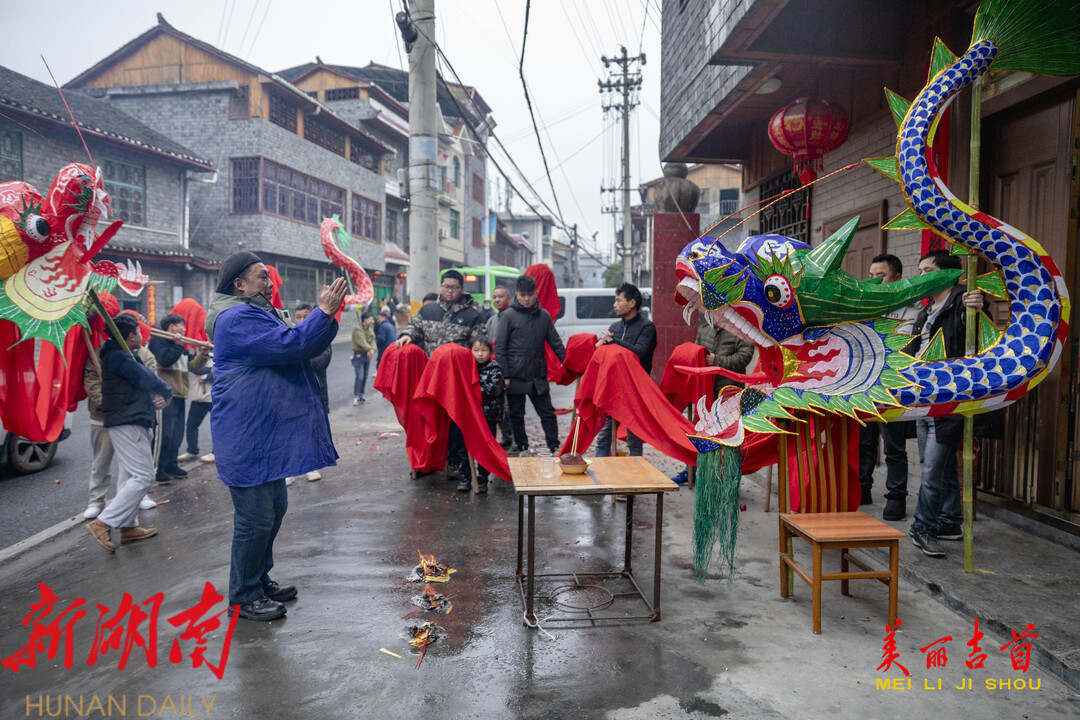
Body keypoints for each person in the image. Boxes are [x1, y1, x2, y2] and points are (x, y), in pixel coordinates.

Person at [206, 250, 346, 621]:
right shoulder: (236, 317)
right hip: (244, 435)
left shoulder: (254, 312)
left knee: (273, 510)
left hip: (262, 434)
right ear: (239, 284)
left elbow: (303, 343)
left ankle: (258, 578)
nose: (270, 283)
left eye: (269, 276)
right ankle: (243, 595)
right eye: (262, 276)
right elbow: (292, 344)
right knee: (254, 519)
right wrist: (323, 312)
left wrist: (326, 316)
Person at [905, 250, 985, 558]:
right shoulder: (926, 310)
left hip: (950, 398)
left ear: (948, 273)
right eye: (920, 270)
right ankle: (950, 521)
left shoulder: (964, 301)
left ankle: (922, 526)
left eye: (928, 270)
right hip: (923, 398)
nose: (922, 276)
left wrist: (979, 306)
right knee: (941, 464)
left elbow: (981, 333)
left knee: (932, 469)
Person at [85, 313, 172, 552]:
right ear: (131, 336)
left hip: (131, 417)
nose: (142, 335)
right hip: (128, 420)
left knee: (129, 475)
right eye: (139, 331)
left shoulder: (123, 354)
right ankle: (103, 522)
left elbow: (139, 381)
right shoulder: (118, 356)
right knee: (143, 476)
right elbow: (144, 377)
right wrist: (165, 390)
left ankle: (128, 526)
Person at [396, 270, 486, 484]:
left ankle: (454, 462)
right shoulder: (428, 310)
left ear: (461, 289)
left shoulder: (473, 315)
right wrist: (407, 336)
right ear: (441, 287)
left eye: (454, 287)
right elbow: (414, 328)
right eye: (446, 287)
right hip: (430, 377)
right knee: (429, 419)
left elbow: (478, 344)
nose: (450, 291)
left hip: (456, 379)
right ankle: (428, 461)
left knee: (455, 422)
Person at [860, 253, 920, 517]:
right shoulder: (865, 307)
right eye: (871, 276)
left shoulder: (912, 310)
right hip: (864, 384)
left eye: (880, 276)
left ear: (897, 278)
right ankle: (862, 489)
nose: (874, 281)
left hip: (892, 386)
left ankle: (896, 498)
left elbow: (902, 347)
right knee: (864, 442)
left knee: (894, 447)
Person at [496, 274, 566, 456]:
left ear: (536, 294)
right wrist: (505, 375)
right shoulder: (508, 316)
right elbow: (500, 349)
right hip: (515, 375)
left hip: (537, 375)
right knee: (516, 415)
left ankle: (554, 446)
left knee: (547, 413)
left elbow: (556, 343)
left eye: (530, 294)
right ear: (516, 294)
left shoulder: (543, 316)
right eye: (523, 295)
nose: (526, 299)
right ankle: (522, 447)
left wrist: (569, 363)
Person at [594, 283, 657, 457]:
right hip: (613, 389)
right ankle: (601, 469)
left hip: (635, 390)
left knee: (634, 439)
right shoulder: (614, 327)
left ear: (632, 303)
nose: (614, 305)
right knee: (604, 436)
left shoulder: (646, 327)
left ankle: (635, 470)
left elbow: (640, 352)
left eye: (618, 300)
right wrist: (599, 345)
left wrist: (613, 342)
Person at [149, 313, 210, 482]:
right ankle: (157, 469)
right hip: (165, 395)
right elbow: (165, 360)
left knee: (176, 434)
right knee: (164, 434)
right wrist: (178, 345)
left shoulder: (180, 345)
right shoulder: (158, 342)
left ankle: (171, 464)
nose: (184, 329)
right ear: (172, 327)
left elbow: (192, 366)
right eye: (182, 325)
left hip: (180, 394)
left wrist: (203, 354)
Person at [285, 303, 332, 486]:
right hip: (291, 396)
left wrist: (295, 356)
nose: (302, 320)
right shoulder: (288, 336)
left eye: (306, 317)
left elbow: (320, 361)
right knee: (290, 433)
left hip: (313, 395)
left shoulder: (320, 336)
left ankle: (311, 467)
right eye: (298, 317)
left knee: (311, 432)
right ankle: (289, 470)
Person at [470, 335, 504, 493]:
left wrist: (471, 391)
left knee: (486, 447)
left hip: (489, 415)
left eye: (484, 350)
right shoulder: (468, 367)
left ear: (490, 352)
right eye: (476, 350)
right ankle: (467, 476)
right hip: (472, 415)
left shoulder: (495, 368)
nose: (480, 354)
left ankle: (483, 477)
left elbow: (491, 390)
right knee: (470, 445)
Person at [485, 286, 513, 447]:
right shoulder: (491, 321)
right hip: (495, 369)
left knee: (511, 407)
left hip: (512, 368)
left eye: (500, 297)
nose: (497, 300)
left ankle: (515, 438)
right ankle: (506, 437)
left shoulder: (515, 317)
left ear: (509, 298)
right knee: (500, 405)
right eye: (494, 297)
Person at [184, 356, 214, 464]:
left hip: (213, 397)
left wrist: (206, 376)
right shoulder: (201, 355)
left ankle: (216, 452)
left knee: (217, 427)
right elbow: (193, 367)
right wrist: (208, 370)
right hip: (198, 396)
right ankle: (192, 450)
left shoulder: (221, 352)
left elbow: (223, 371)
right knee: (191, 425)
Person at [351, 310, 375, 404]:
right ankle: (356, 396)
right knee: (359, 376)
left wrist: (372, 350)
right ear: (365, 319)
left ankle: (362, 395)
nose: (372, 321)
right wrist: (370, 349)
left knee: (365, 376)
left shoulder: (370, 329)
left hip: (367, 355)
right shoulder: (358, 329)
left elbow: (373, 341)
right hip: (358, 355)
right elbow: (362, 342)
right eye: (371, 319)